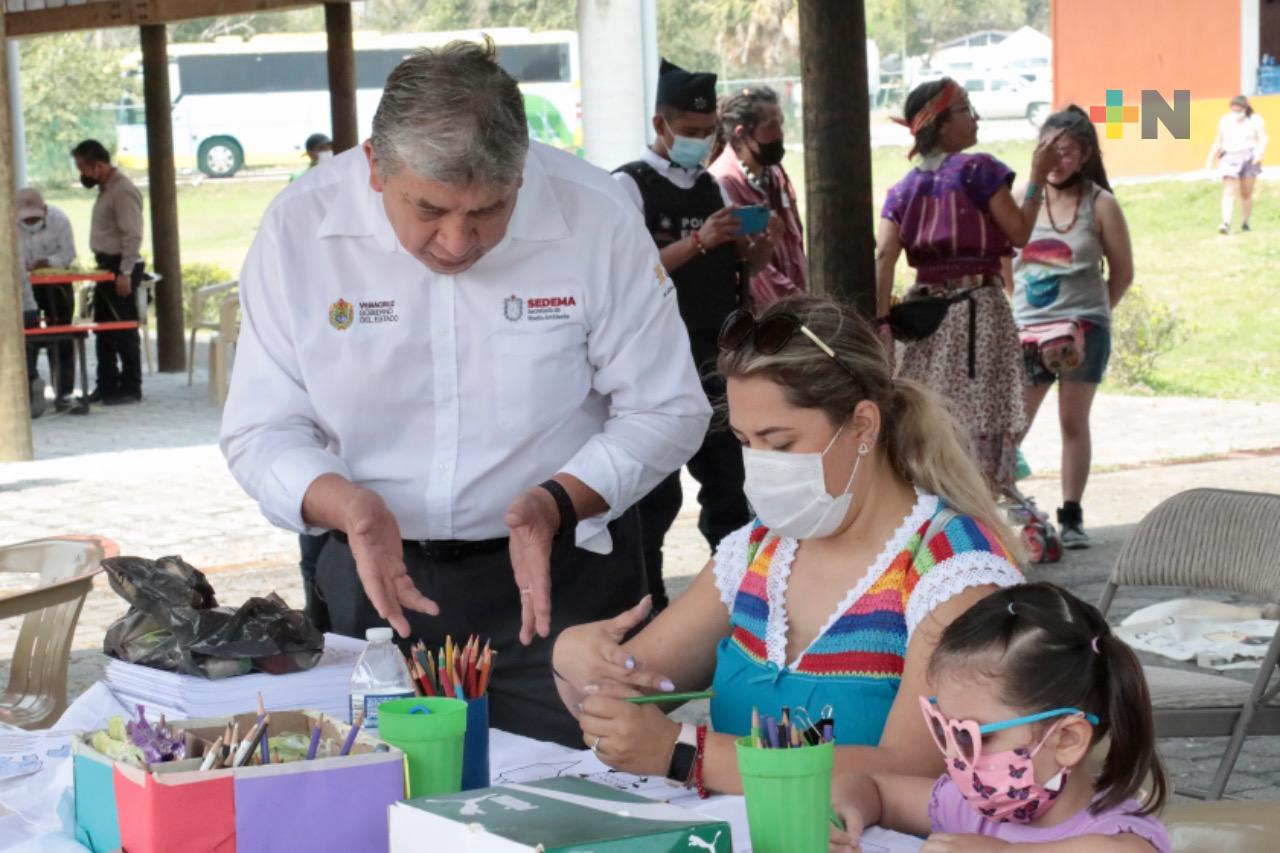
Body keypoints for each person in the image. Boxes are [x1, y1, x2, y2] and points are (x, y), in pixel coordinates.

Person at [219, 40, 710, 747]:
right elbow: (259, 430)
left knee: (590, 806)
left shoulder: (595, 214)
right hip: (376, 578)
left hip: (562, 584)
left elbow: (668, 409)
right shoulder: (300, 228)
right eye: (430, 209)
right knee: (379, 801)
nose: (456, 241)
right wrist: (348, 507)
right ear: (374, 166)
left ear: (523, 170)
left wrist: (556, 500)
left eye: (487, 210)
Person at [552, 295, 1024, 793]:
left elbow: (912, 768)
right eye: (744, 441)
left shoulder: (954, 569)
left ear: (863, 425)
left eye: (780, 444)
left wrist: (687, 754)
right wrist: (576, 662)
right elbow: (627, 694)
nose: (759, 464)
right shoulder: (758, 552)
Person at [612, 60, 778, 612]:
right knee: (655, 497)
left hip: (716, 354)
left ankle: (736, 603)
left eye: (706, 133)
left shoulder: (709, 185)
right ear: (661, 125)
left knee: (731, 486)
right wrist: (701, 242)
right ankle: (649, 607)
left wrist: (752, 252)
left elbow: (728, 274)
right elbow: (632, 274)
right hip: (657, 359)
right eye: (689, 132)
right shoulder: (628, 185)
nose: (700, 142)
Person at [830, 582, 1169, 852]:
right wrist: (845, 810)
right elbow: (873, 788)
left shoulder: (1117, 836)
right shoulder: (970, 804)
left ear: (1067, 739)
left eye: (972, 736)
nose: (951, 756)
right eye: (943, 729)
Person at [875, 78, 1062, 489]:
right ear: (940, 123)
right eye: (964, 108)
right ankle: (978, 511)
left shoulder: (902, 189)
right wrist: (1037, 175)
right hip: (977, 315)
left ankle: (934, 505)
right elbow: (1018, 232)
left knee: (931, 419)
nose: (974, 117)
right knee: (979, 420)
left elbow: (885, 256)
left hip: (923, 319)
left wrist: (883, 326)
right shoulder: (979, 170)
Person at [1009, 107, 1133, 548]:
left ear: (1084, 156)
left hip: (1084, 330)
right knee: (1011, 426)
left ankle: (1072, 513)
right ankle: (1015, 507)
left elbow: (1122, 271)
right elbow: (1007, 263)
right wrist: (1019, 309)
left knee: (1072, 421)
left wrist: (1095, 314)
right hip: (1029, 331)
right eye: (1050, 150)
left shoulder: (1101, 203)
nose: (1058, 160)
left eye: (1068, 152)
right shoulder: (1023, 198)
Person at [709, 85, 807, 310]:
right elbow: (756, 272)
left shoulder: (775, 174)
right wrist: (800, 305)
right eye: (771, 126)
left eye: (780, 124)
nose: (780, 134)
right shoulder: (724, 184)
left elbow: (795, 241)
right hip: (765, 316)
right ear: (742, 134)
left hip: (792, 306)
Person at [72, 139, 145, 406]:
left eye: (83, 167)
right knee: (104, 330)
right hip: (106, 265)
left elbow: (132, 234)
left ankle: (130, 386)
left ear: (98, 165)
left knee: (123, 328)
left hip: (120, 266)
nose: (82, 174)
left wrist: (125, 271)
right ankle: (107, 383)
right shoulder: (106, 190)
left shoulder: (123, 190)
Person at [17, 188, 78, 411]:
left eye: (35, 217)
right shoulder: (7, 224)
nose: (31, 221)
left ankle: (64, 392)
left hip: (56, 284)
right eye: (26, 218)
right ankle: (29, 386)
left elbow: (69, 253)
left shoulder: (59, 220)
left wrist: (47, 262)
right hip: (23, 287)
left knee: (61, 335)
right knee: (25, 335)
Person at [1208, 95, 1267, 235]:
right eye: (1233, 110)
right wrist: (1210, 158)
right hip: (1230, 156)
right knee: (1229, 191)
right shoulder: (1225, 120)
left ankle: (1245, 222)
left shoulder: (1254, 120)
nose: (1236, 114)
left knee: (1246, 193)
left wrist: (1259, 153)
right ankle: (1226, 223)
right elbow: (1219, 140)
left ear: (1245, 109)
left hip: (1249, 157)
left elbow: (1263, 138)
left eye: (1239, 110)